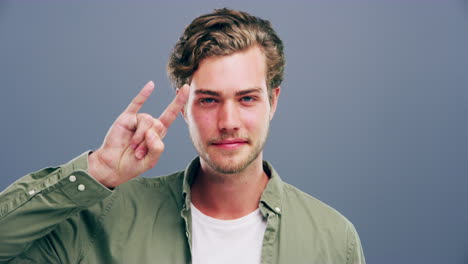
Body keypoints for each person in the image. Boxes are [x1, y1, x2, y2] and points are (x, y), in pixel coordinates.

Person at [0, 8, 365, 264]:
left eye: (247, 98)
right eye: (208, 100)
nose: (228, 121)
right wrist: (97, 172)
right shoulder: (107, 218)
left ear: (273, 100)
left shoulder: (333, 239)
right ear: (184, 105)